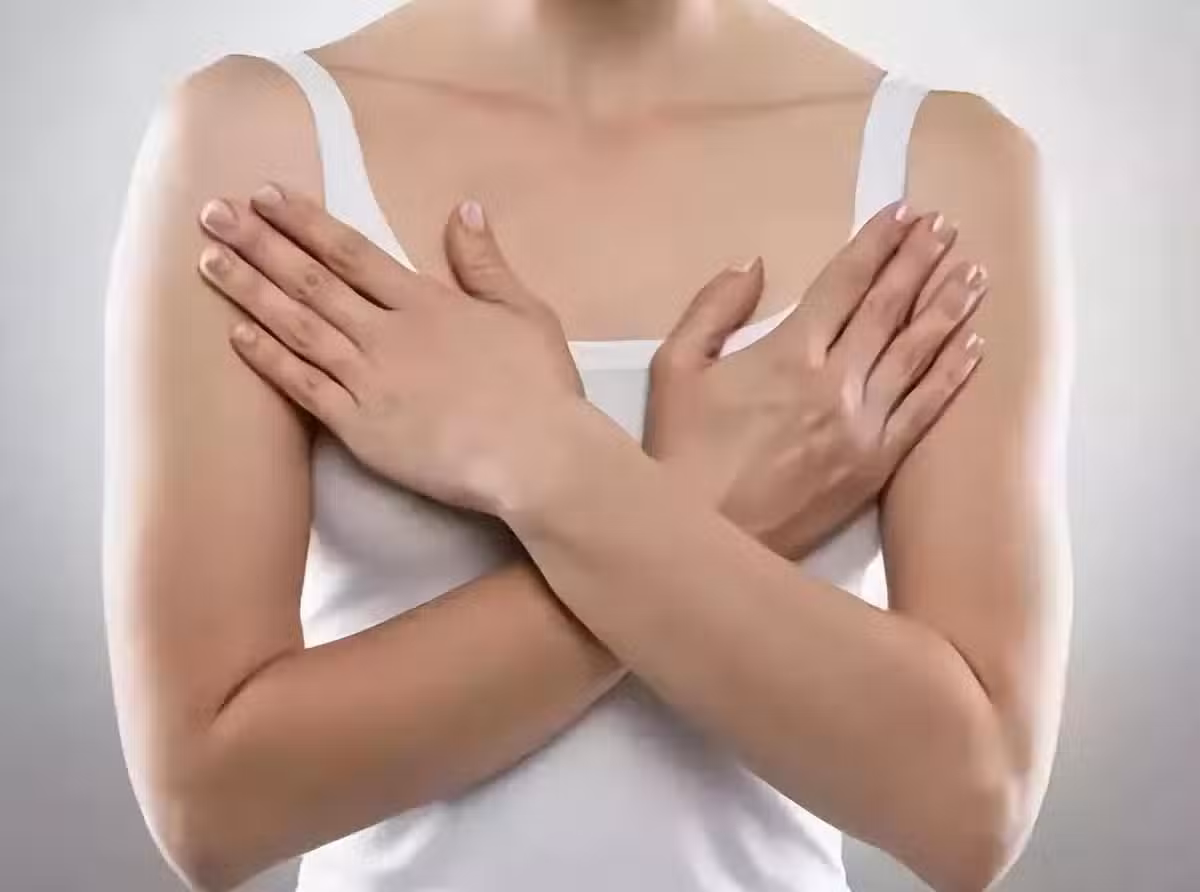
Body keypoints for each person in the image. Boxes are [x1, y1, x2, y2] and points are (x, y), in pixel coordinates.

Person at [101, 1, 1073, 890]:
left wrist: (544, 461)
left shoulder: (946, 170)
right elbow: (212, 807)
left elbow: (969, 812)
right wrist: (711, 507)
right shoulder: (256, 143)